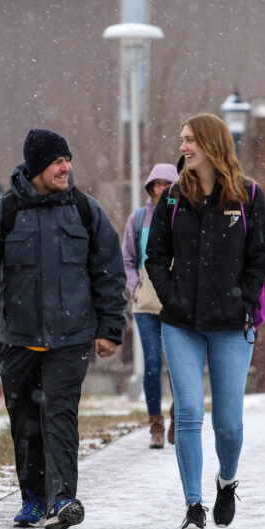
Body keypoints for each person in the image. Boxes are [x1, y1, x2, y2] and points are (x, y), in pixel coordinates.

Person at [0, 129, 126, 529]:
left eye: (67, 160)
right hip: (16, 337)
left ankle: (63, 498)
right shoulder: (4, 213)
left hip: (71, 337)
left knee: (59, 412)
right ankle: (33, 499)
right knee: (25, 420)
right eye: (56, 162)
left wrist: (111, 329)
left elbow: (109, 273)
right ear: (35, 168)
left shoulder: (86, 211)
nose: (66, 167)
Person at [145, 113, 265, 529]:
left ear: (211, 145)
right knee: (187, 413)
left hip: (230, 324)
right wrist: (172, 295)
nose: (182, 147)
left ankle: (226, 480)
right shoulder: (172, 199)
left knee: (229, 424)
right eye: (182, 140)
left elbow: (262, 259)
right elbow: (155, 256)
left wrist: (245, 300)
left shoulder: (249, 196)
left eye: (189, 141)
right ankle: (193, 505)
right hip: (181, 322)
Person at [122, 162, 179, 449]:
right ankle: (156, 425)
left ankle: (176, 418)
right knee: (153, 365)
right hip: (145, 305)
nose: (161, 189)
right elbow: (128, 260)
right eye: (156, 184)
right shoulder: (138, 218)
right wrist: (135, 287)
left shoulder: (183, 216)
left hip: (176, 304)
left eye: (166, 184)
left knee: (178, 366)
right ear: (150, 188)